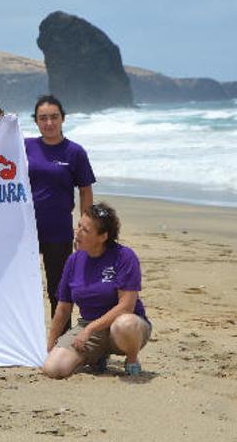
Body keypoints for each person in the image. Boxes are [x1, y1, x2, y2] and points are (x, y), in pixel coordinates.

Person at [42, 203, 151, 379]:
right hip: (88, 328)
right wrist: (50, 347)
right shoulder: (73, 260)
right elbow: (63, 309)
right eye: (78, 226)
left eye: (85, 230)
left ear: (103, 236)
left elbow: (126, 307)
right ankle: (96, 357)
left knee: (126, 324)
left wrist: (90, 329)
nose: (77, 232)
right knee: (53, 369)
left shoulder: (124, 256)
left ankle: (132, 359)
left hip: (124, 329)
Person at [25, 95, 95, 332]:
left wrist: (85, 228)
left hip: (59, 231)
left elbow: (85, 190)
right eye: (43, 118)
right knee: (23, 285)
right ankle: (26, 336)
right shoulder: (24, 146)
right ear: (35, 121)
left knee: (58, 288)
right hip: (23, 231)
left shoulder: (75, 152)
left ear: (63, 119)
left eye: (54, 117)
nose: (49, 123)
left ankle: (60, 336)